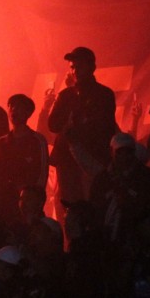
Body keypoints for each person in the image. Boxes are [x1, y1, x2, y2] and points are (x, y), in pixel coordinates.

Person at [47, 46, 118, 203]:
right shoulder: (65, 95)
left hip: (93, 158)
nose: (75, 71)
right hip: (67, 160)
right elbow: (52, 124)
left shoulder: (104, 94)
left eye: (79, 66)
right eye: (72, 67)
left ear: (92, 67)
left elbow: (105, 127)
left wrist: (80, 125)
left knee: (93, 202)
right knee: (69, 206)